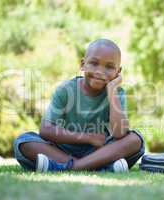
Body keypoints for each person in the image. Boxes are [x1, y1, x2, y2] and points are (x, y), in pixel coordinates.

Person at [13, 39, 145, 173]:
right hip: (63, 149)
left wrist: (112, 91)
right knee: (23, 141)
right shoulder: (65, 90)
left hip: (99, 151)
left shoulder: (116, 93)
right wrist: (88, 137)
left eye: (109, 67)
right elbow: (46, 130)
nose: (100, 71)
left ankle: (69, 167)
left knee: (136, 140)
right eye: (94, 63)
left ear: (118, 72)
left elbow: (120, 133)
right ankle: (99, 167)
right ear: (83, 64)